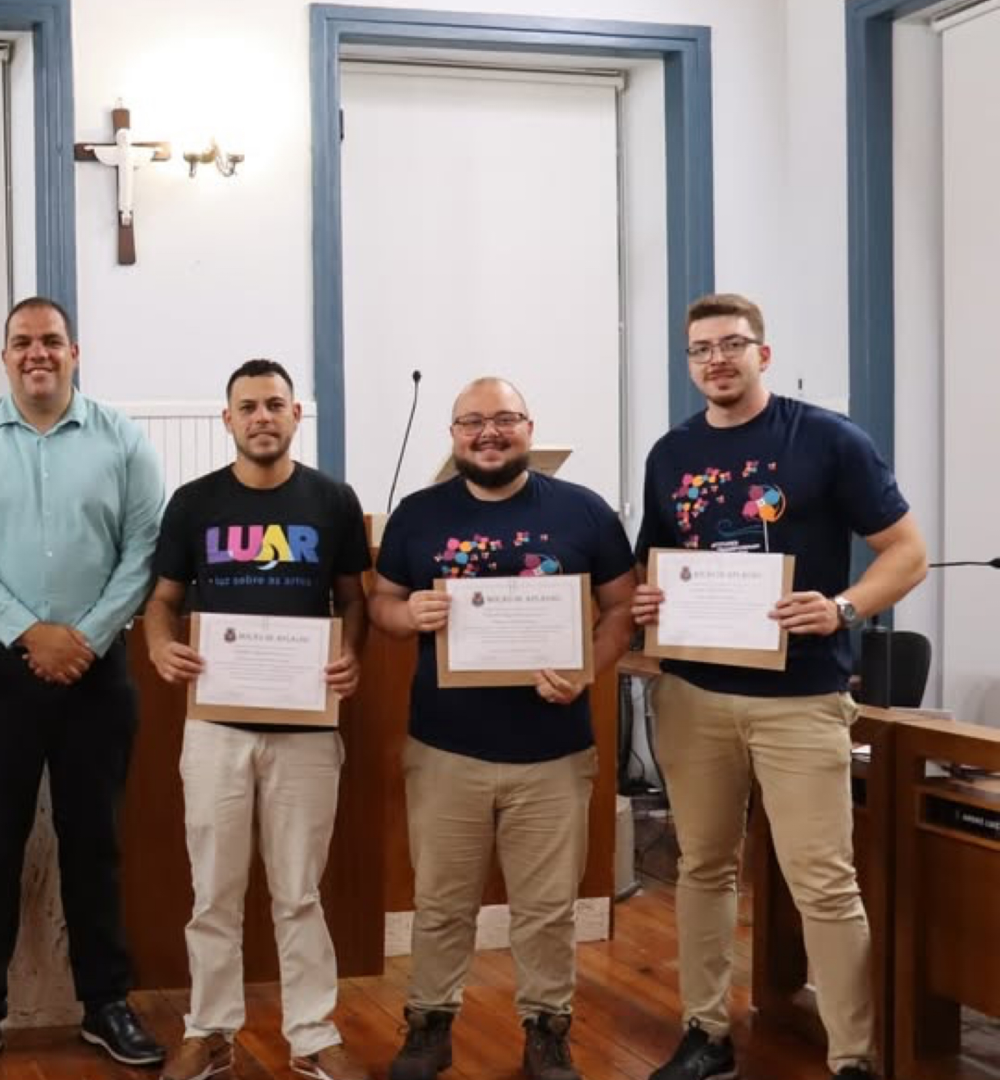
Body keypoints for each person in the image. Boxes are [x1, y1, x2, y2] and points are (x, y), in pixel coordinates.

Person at [634, 294, 927, 1080]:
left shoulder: (828, 438)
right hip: (694, 695)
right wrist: (648, 600)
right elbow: (653, 566)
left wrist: (843, 607)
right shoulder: (671, 454)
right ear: (689, 363)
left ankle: (852, 1056)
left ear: (762, 354)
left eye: (731, 344)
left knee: (822, 881)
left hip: (800, 698)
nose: (716, 360)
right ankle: (705, 1034)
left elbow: (907, 552)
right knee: (703, 868)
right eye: (701, 349)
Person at [0, 296, 166, 1078]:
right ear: (4, 357)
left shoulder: (121, 438)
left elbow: (144, 549)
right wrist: (31, 633)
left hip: (97, 671)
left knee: (94, 844)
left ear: (74, 352)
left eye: (51, 341)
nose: (38, 353)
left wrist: (83, 637)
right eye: (23, 341)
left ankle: (106, 1004)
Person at [371, 377, 636, 1080]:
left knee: (548, 909)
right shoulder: (418, 514)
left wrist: (586, 669)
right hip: (444, 748)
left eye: (504, 418)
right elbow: (382, 604)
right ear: (453, 435)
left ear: (529, 427)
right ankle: (429, 1025)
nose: (488, 432)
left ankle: (547, 1029)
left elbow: (622, 607)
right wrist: (408, 615)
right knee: (441, 903)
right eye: (472, 422)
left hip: (553, 751)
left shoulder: (584, 511)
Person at [142, 359, 372, 1080]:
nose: (262, 417)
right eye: (248, 406)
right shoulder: (194, 503)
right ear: (228, 419)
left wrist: (352, 654)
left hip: (307, 727)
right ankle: (209, 1033)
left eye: (275, 404)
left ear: (296, 414)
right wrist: (159, 646)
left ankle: (312, 1036)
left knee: (299, 892)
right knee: (213, 891)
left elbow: (354, 599)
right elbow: (162, 600)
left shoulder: (332, 500)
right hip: (216, 726)